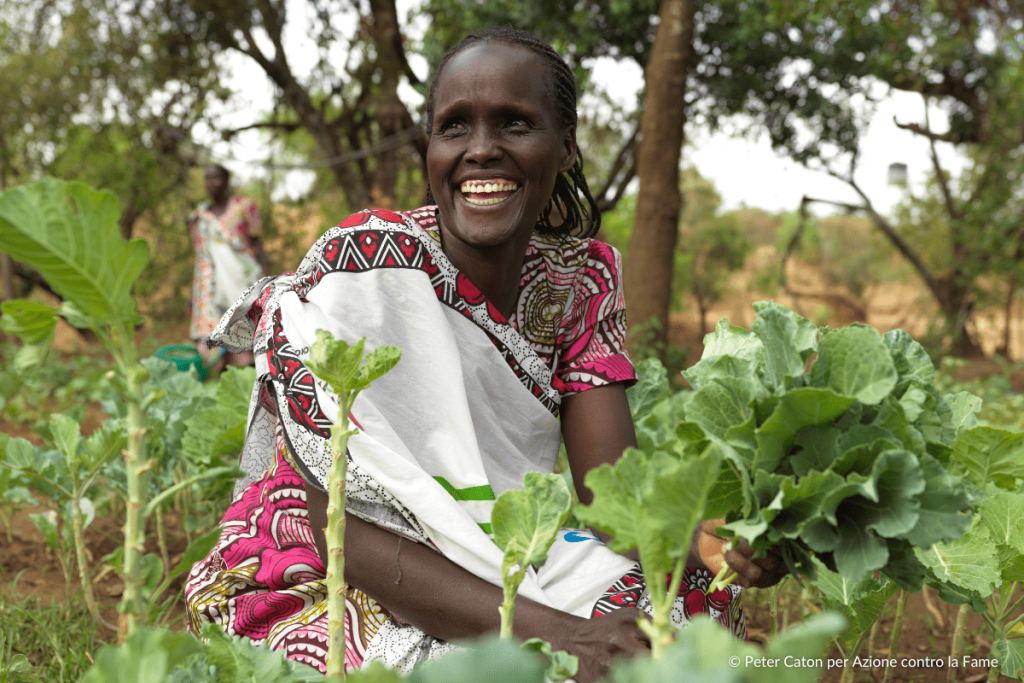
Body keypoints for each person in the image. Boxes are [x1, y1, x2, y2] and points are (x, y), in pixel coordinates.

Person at [184, 28, 786, 682]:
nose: (481, 150)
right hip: (318, 572)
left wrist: (708, 541)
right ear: (431, 149)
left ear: (565, 147)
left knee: (695, 606)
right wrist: (562, 636)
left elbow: (612, 493)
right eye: (454, 128)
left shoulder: (581, 281)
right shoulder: (363, 268)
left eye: (516, 124)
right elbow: (340, 531)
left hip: (492, 555)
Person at [187, 163, 270, 370]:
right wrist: (193, 293)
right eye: (208, 178)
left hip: (242, 283)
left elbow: (257, 245)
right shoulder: (200, 218)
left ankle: (247, 389)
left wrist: (268, 279)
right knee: (213, 344)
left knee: (245, 344)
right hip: (210, 290)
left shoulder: (243, 207)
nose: (211, 183)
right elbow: (201, 258)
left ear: (226, 181)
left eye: (216, 178)